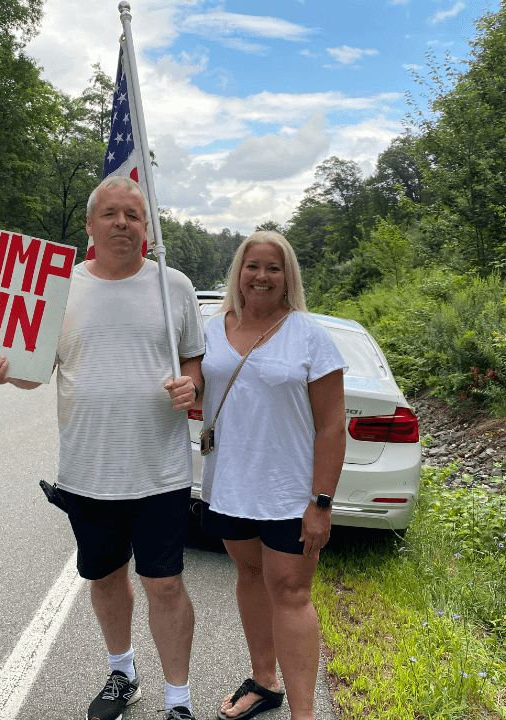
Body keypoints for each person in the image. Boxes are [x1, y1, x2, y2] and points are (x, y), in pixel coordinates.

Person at [0, 176, 205, 720]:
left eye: (133, 215)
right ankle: (123, 675)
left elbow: (195, 362)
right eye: (111, 214)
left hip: (160, 472)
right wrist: (3, 373)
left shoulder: (175, 287)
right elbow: (35, 373)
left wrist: (192, 386)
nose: (122, 223)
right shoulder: (58, 289)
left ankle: (179, 702)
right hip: (87, 470)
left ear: (147, 227)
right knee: (105, 577)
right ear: (89, 225)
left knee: (166, 584)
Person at [197, 230, 346, 720]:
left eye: (273, 268)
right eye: (253, 266)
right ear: (238, 272)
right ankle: (264, 682)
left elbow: (332, 426)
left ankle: (304, 714)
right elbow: (196, 390)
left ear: (288, 278)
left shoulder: (309, 336)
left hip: (290, 493)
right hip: (229, 486)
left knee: (291, 593)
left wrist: (321, 503)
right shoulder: (211, 330)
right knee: (250, 575)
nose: (261, 276)